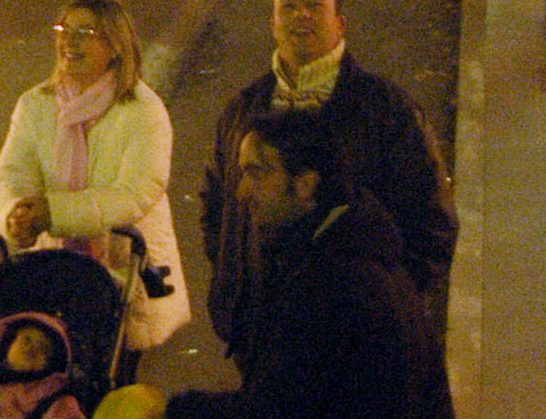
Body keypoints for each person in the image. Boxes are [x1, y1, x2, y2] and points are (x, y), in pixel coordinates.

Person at [200, 0, 456, 368]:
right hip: (260, 333)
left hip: (359, 342)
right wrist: (233, 284)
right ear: (272, 22)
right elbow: (218, 206)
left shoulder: (388, 110)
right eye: (289, 5)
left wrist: (387, 303)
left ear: (340, 23)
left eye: (313, 4)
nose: (300, 15)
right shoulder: (242, 111)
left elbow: (432, 221)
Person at [170, 110, 454, 419]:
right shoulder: (348, 249)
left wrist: (177, 411)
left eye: (257, 173)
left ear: (305, 184)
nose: (242, 192)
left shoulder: (332, 284)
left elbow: (279, 408)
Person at [0, 0, 190, 362]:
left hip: (121, 273)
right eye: (64, 29)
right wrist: (15, 213)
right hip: (52, 270)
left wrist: (54, 212)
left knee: (108, 376)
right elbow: (12, 173)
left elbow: (135, 193)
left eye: (86, 32)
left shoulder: (143, 112)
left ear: (115, 45)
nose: (70, 41)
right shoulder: (36, 104)